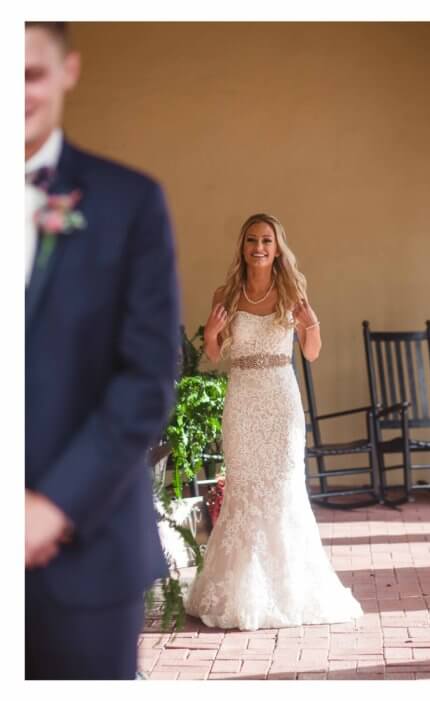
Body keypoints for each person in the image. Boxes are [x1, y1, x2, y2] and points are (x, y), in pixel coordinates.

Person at [24, 22, 180, 679]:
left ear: (68, 71)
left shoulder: (128, 202)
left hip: (83, 559)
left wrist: (52, 506)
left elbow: (146, 378)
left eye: (28, 73)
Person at [184, 213, 363, 630]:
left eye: (267, 240)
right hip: (243, 400)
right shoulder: (225, 294)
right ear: (243, 247)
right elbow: (213, 355)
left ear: (277, 247)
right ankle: (239, 589)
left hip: (281, 402)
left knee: (283, 486)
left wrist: (311, 320)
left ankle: (289, 592)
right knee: (244, 488)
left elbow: (313, 352)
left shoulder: (293, 294)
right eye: (251, 240)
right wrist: (211, 331)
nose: (259, 247)